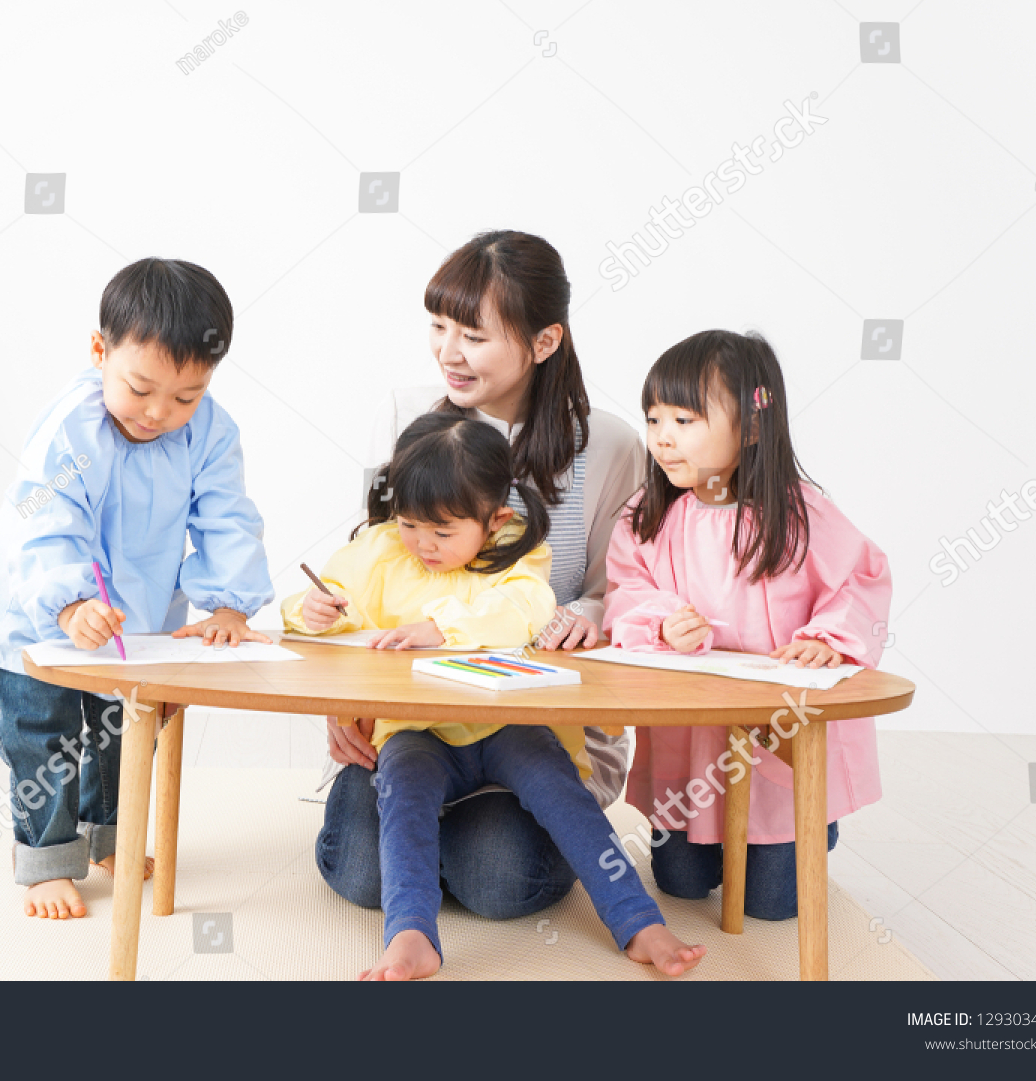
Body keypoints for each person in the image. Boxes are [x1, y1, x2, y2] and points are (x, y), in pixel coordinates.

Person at [283, 412, 705, 979]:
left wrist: (440, 627)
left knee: (561, 792)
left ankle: (638, 921)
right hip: (416, 731)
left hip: (508, 729)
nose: (423, 545)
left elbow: (525, 610)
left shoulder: (517, 549)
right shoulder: (381, 549)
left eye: (444, 531)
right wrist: (309, 612)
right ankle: (411, 933)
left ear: (495, 517)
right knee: (403, 796)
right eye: (411, 525)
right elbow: (320, 611)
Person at [318, 229, 647, 921]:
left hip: (537, 727)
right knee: (361, 878)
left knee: (499, 883)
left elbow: (623, 587)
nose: (447, 351)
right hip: (411, 720)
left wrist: (589, 613)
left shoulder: (610, 444)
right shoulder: (410, 415)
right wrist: (340, 699)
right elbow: (366, 578)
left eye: (473, 334)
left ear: (544, 341)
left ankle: (465, 832)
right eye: (438, 326)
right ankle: (421, 828)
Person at [0, 258, 274, 920]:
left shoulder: (210, 432)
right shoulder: (72, 428)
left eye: (186, 395)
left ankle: (112, 836)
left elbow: (227, 516)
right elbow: (46, 520)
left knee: (125, 730)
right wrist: (70, 602)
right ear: (99, 351)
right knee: (44, 733)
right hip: (40, 612)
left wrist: (229, 601)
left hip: (135, 619)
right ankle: (47, 859)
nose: (159, 412)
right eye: (140, 388)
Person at [605, 329, 892, 919]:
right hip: (692, 744)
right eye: (654, 418)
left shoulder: (799, 513)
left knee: (772, 906)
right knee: (681, 884)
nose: (662, 437)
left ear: (753, 425)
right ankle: (700, 836)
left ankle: (815, 824)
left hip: (774, 736)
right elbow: (626, 592)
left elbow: (861, 580)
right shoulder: (647, 517)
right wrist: (663, 626)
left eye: (685, 419)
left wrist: (826, 640)